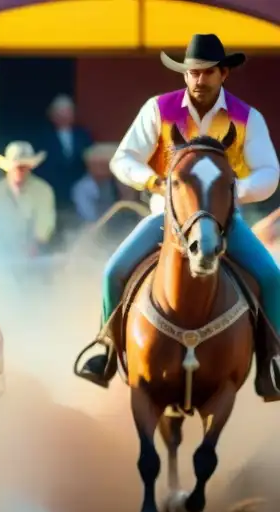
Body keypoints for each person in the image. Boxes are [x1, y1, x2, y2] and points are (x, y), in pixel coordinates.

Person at [74, 34, 280, 399]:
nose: (199, 80)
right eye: (192, 73)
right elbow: (122, 160)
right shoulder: (158, 109)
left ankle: (271, 363)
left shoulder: (248, 118)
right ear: (185, 75)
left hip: (226, 222)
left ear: (224, 74)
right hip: (166, 221)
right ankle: (106, 352)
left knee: (271, 276)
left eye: (207, 73)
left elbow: (269, 172)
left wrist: (235, 192)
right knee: (112, 272)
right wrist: (152, 180)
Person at [0, 141, 56, 255]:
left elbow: (45, 222)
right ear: (8, 167)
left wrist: (36, 242)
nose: (20, 170)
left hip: (35, 252)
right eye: (17, 166)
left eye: (25, 166)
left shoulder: (43, 190)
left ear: (30, 167)